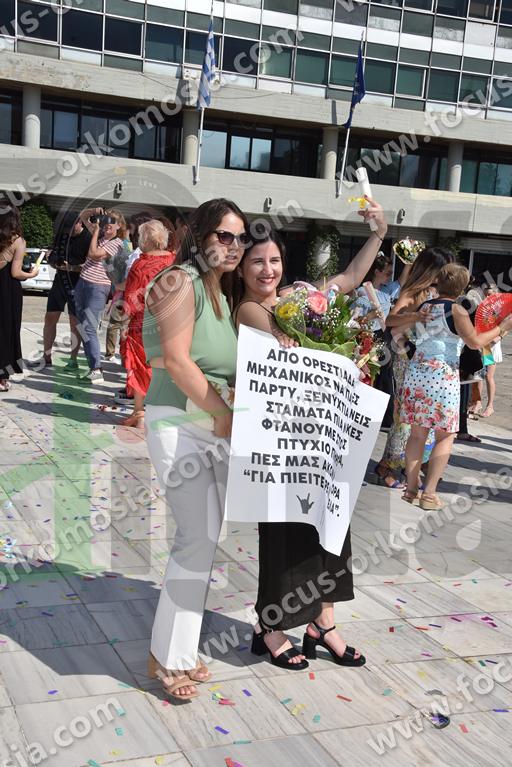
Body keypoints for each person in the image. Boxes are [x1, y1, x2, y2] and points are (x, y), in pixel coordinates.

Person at [233, 196, 387, 671]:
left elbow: (349, 278)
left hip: (321, 441)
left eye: (274, 260)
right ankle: (270, 626)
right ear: (241, 269)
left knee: (331, 529)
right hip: (280, 446)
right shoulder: (249, 310)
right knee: (283, 536)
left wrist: (378, 234)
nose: (267, 270)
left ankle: (323, 622)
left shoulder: (296, 299)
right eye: (257, 262)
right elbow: (285, 342)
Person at [143, 198, 250, 700]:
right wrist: (224, 413)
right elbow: (178, 362)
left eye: (241, 237)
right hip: (180, 421)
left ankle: (177, 649)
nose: (235, 245)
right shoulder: (178, 281)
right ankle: (170, 658)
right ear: (201, 235)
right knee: (195, 537)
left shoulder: (221, 292)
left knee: (203, 539)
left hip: (211, 425)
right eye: (224, 235)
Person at [401, 264, 512, 510]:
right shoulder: (457, 310)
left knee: (417, 434)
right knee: (445, 436)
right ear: (462, 287)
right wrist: (501, 328)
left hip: (417, 374)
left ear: (438, 282)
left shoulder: (424, 307)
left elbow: (404, 334)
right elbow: (474, 343)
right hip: (443, 377)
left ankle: (410, 487)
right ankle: (429, 493)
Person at [373, 247, 455, 488]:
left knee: (423, 419)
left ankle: (412, 466)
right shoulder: (412, 292)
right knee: (404, 417)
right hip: (405, 359)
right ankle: (388, 465)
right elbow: (389, 320)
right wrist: (415, 317)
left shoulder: (439, 294)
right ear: (432, 270)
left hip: (428, 363)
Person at [120, 220, 176, 428]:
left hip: (143, 324)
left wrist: (124, 324)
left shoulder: (140, 264)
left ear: (144, 239)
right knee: (166, 366)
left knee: (140, 365)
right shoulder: (175, 261)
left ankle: (139, 413)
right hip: (171, 322)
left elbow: (131, 300)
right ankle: (161, 412)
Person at [353, 253, 412, 427]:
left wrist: (409, 260)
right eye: (387, 273)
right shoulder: (361, 292)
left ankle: (384, 417)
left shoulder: (387, 290)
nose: (389, 276)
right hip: (368, 337)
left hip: (385, 336)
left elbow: (402, 281)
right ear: (377, 272)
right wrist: (370, 316)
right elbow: (354, 320)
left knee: (386, 375)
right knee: (369, 375)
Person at [33, 214, 91, 370]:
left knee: (75, 323)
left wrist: (71, 267)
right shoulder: (62, 236)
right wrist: (52, 260)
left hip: (78, 284)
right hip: (60, 281)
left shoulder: (88, 238)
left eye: (71, 229)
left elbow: (91, 265)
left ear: (80, 223)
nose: (68, 232)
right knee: (50, 317)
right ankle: (46, 356)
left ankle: (73, 359)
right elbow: (53, 255)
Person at [74, 207, 125, 383]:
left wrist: (95, 231)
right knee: (82, 327)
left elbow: (94, 254)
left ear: (119, 226)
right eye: (106, 220)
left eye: (112, 221)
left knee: (89, 327)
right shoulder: (101, 237)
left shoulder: (117, 243)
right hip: (83, 282)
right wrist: (94, 211)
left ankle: (96, 368)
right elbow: (82, 216)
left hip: (98, 287)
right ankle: (93, 367)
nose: (108, 224)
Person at [0, 205, 39, 391]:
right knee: (6, 330)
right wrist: (31, 274)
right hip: (7, 290)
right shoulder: (17, 240)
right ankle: (1, 378)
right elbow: (16, 273)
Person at [479, 282, 502, 418]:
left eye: (490, 295)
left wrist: (499, 336)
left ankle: (490, 406)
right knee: (478, 375)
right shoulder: (481, 307)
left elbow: (506, 324)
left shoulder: (500, 309)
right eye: (486, 295)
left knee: (488, 376)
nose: (487, 297)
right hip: (481, 344)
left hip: (490, 346)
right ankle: (477, 403)